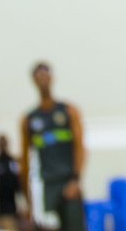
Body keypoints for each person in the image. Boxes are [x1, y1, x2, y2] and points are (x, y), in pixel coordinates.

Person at [20, 63, 86, 231]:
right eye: (38, 76)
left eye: (45, 75)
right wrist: (28, 200)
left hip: (68, 182)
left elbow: (80, 148)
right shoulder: (29, 119)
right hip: (47, 186)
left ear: (52, 78)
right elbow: (25, 161)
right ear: (33, 81)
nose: (42, 80)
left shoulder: (69, 111)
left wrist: (76, 180)